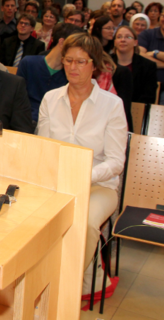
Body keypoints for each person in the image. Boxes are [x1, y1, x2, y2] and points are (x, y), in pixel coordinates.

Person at [36, 33, 126, 297]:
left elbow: (116, 162)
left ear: (94, 65)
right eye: (68, 60)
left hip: (99, 185)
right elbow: (44, 148)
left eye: (80, 62)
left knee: (84, 222)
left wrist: (83, 176)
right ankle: (39, 279)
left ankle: (65, 287)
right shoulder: (51, 99)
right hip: (56, 180)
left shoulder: (112, 105)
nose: (73, 67)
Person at [17, 23, 85, 121]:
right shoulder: (28, 63)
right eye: (76, 46)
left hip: (55, 122)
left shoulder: (71, 73)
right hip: (26, 119)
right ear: (62, 42)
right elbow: (18, 99)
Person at [112, 25, 158, 104]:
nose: (123, 40)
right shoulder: (105, 63)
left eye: (128, 37)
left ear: (135, 42)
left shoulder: (148, 66)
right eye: (119, 37)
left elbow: (149, 96)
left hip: (136, 107)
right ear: (114, 42)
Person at [138, 2, 164, 105]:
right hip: (144, 90)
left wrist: (155, 53)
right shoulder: (147, 34)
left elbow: (146, 57)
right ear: (160, 16)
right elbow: (140, 56)